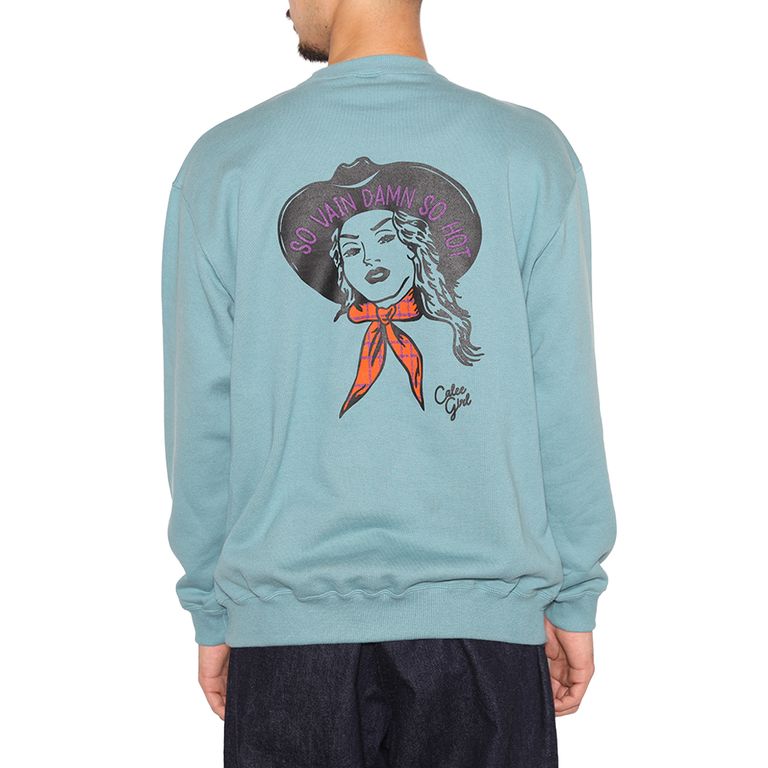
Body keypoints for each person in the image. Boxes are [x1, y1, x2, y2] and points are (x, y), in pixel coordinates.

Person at [160, 1, 618, 765]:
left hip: (287, 634)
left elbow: (201, 416)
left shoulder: (225, 163)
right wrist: (573, 593)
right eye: (350, 248)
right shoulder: (529, 153)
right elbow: (562, 393)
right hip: (483, 631)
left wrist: (214, 605)